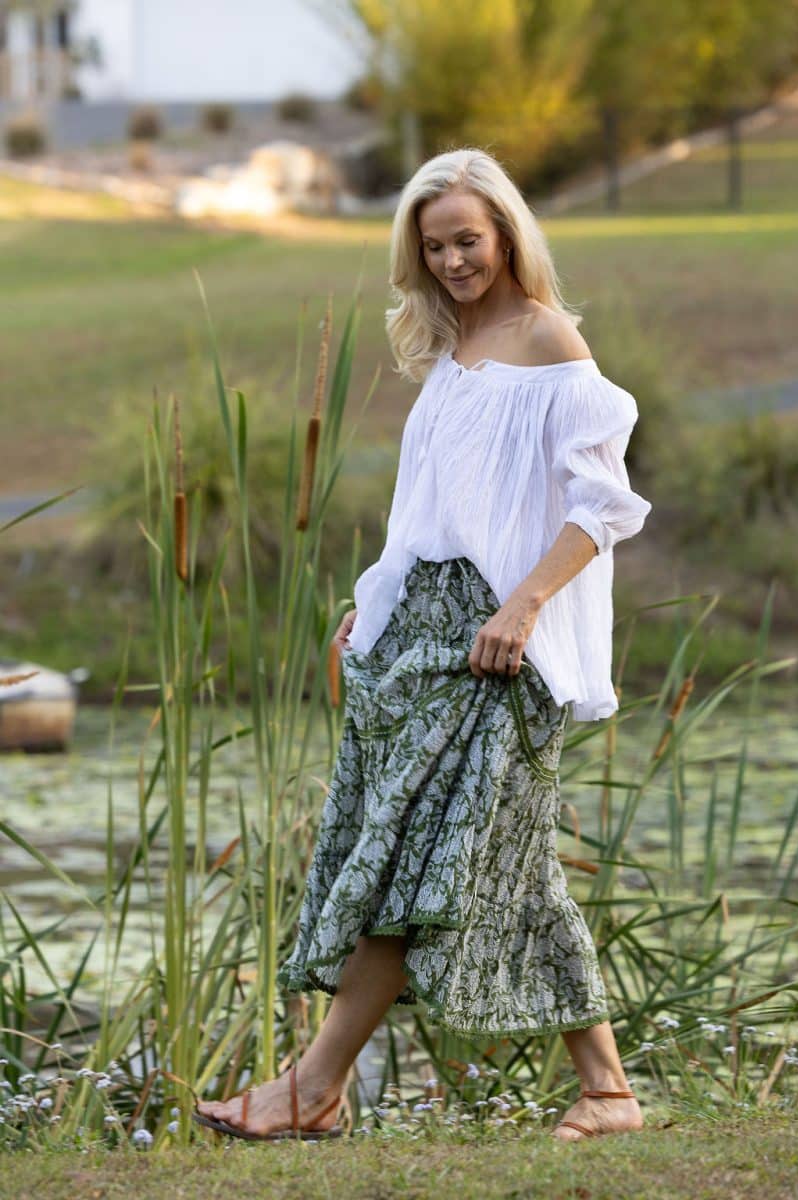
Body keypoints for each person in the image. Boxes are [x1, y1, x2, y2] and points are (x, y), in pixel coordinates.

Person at [195, 147, 651, 1144]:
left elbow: (603, 506)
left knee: (421, 858)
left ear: (506, 235)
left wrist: (522, 610)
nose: (450, 261)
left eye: (466, 240)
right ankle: (606, 1093)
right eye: (432, 245)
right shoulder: (448, 354)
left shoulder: (550, 342)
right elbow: (427, 518)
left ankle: (308, 1089)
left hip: (499, 645)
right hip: (425, 629)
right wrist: (374, 604)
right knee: (480, 865)